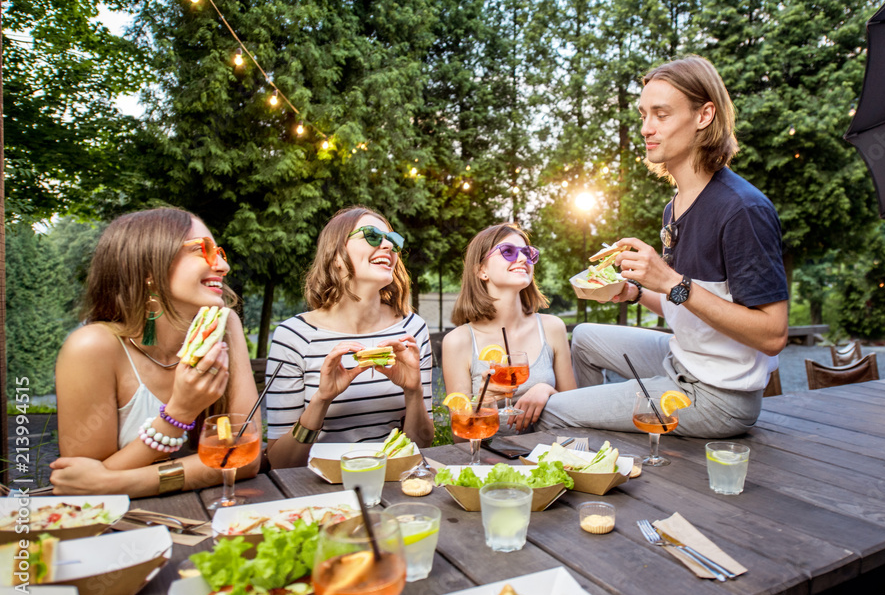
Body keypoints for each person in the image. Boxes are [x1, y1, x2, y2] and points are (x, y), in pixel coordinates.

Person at [538, 55, 789, 438]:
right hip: (682, 358)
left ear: (704, 116)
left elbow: (773, 336)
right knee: (586, 337)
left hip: (716, 396)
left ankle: (580, 437)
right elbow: (690, 307)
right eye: (643, 115)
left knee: (551, 411)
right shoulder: (674, 205)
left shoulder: (742, 209)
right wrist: (637, 291)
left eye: (661, 114)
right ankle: (594, 444)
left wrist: (670, 281)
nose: (646, 128)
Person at [52, 208, 261, 497]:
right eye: (204, 250)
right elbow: (79, 484)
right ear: (149, 270)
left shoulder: (226, 325)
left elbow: (244, 458)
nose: (223, 266)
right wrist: (179, 413)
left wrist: (116, 483)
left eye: (220, 252)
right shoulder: (92, 348)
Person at [264, 207, 433, 468]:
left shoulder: (412, 329)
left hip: (392, 482)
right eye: (372, 236)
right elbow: (280, 462)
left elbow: (421, 445)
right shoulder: (294, 337)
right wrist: (321, 400)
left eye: (393, 240)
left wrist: (413, 392)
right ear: (335, 257)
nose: (388, 245)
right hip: (318, 489)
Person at [442, 223, 576, 433]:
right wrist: (484, 400)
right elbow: (462, 437)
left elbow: (575, 409)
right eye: (508, 252)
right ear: (481, 270)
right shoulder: (458, 341)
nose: (522, 259)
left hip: (550, 454)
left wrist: (546, 389)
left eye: (527, 253)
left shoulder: (552, 328)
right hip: (492, 460)